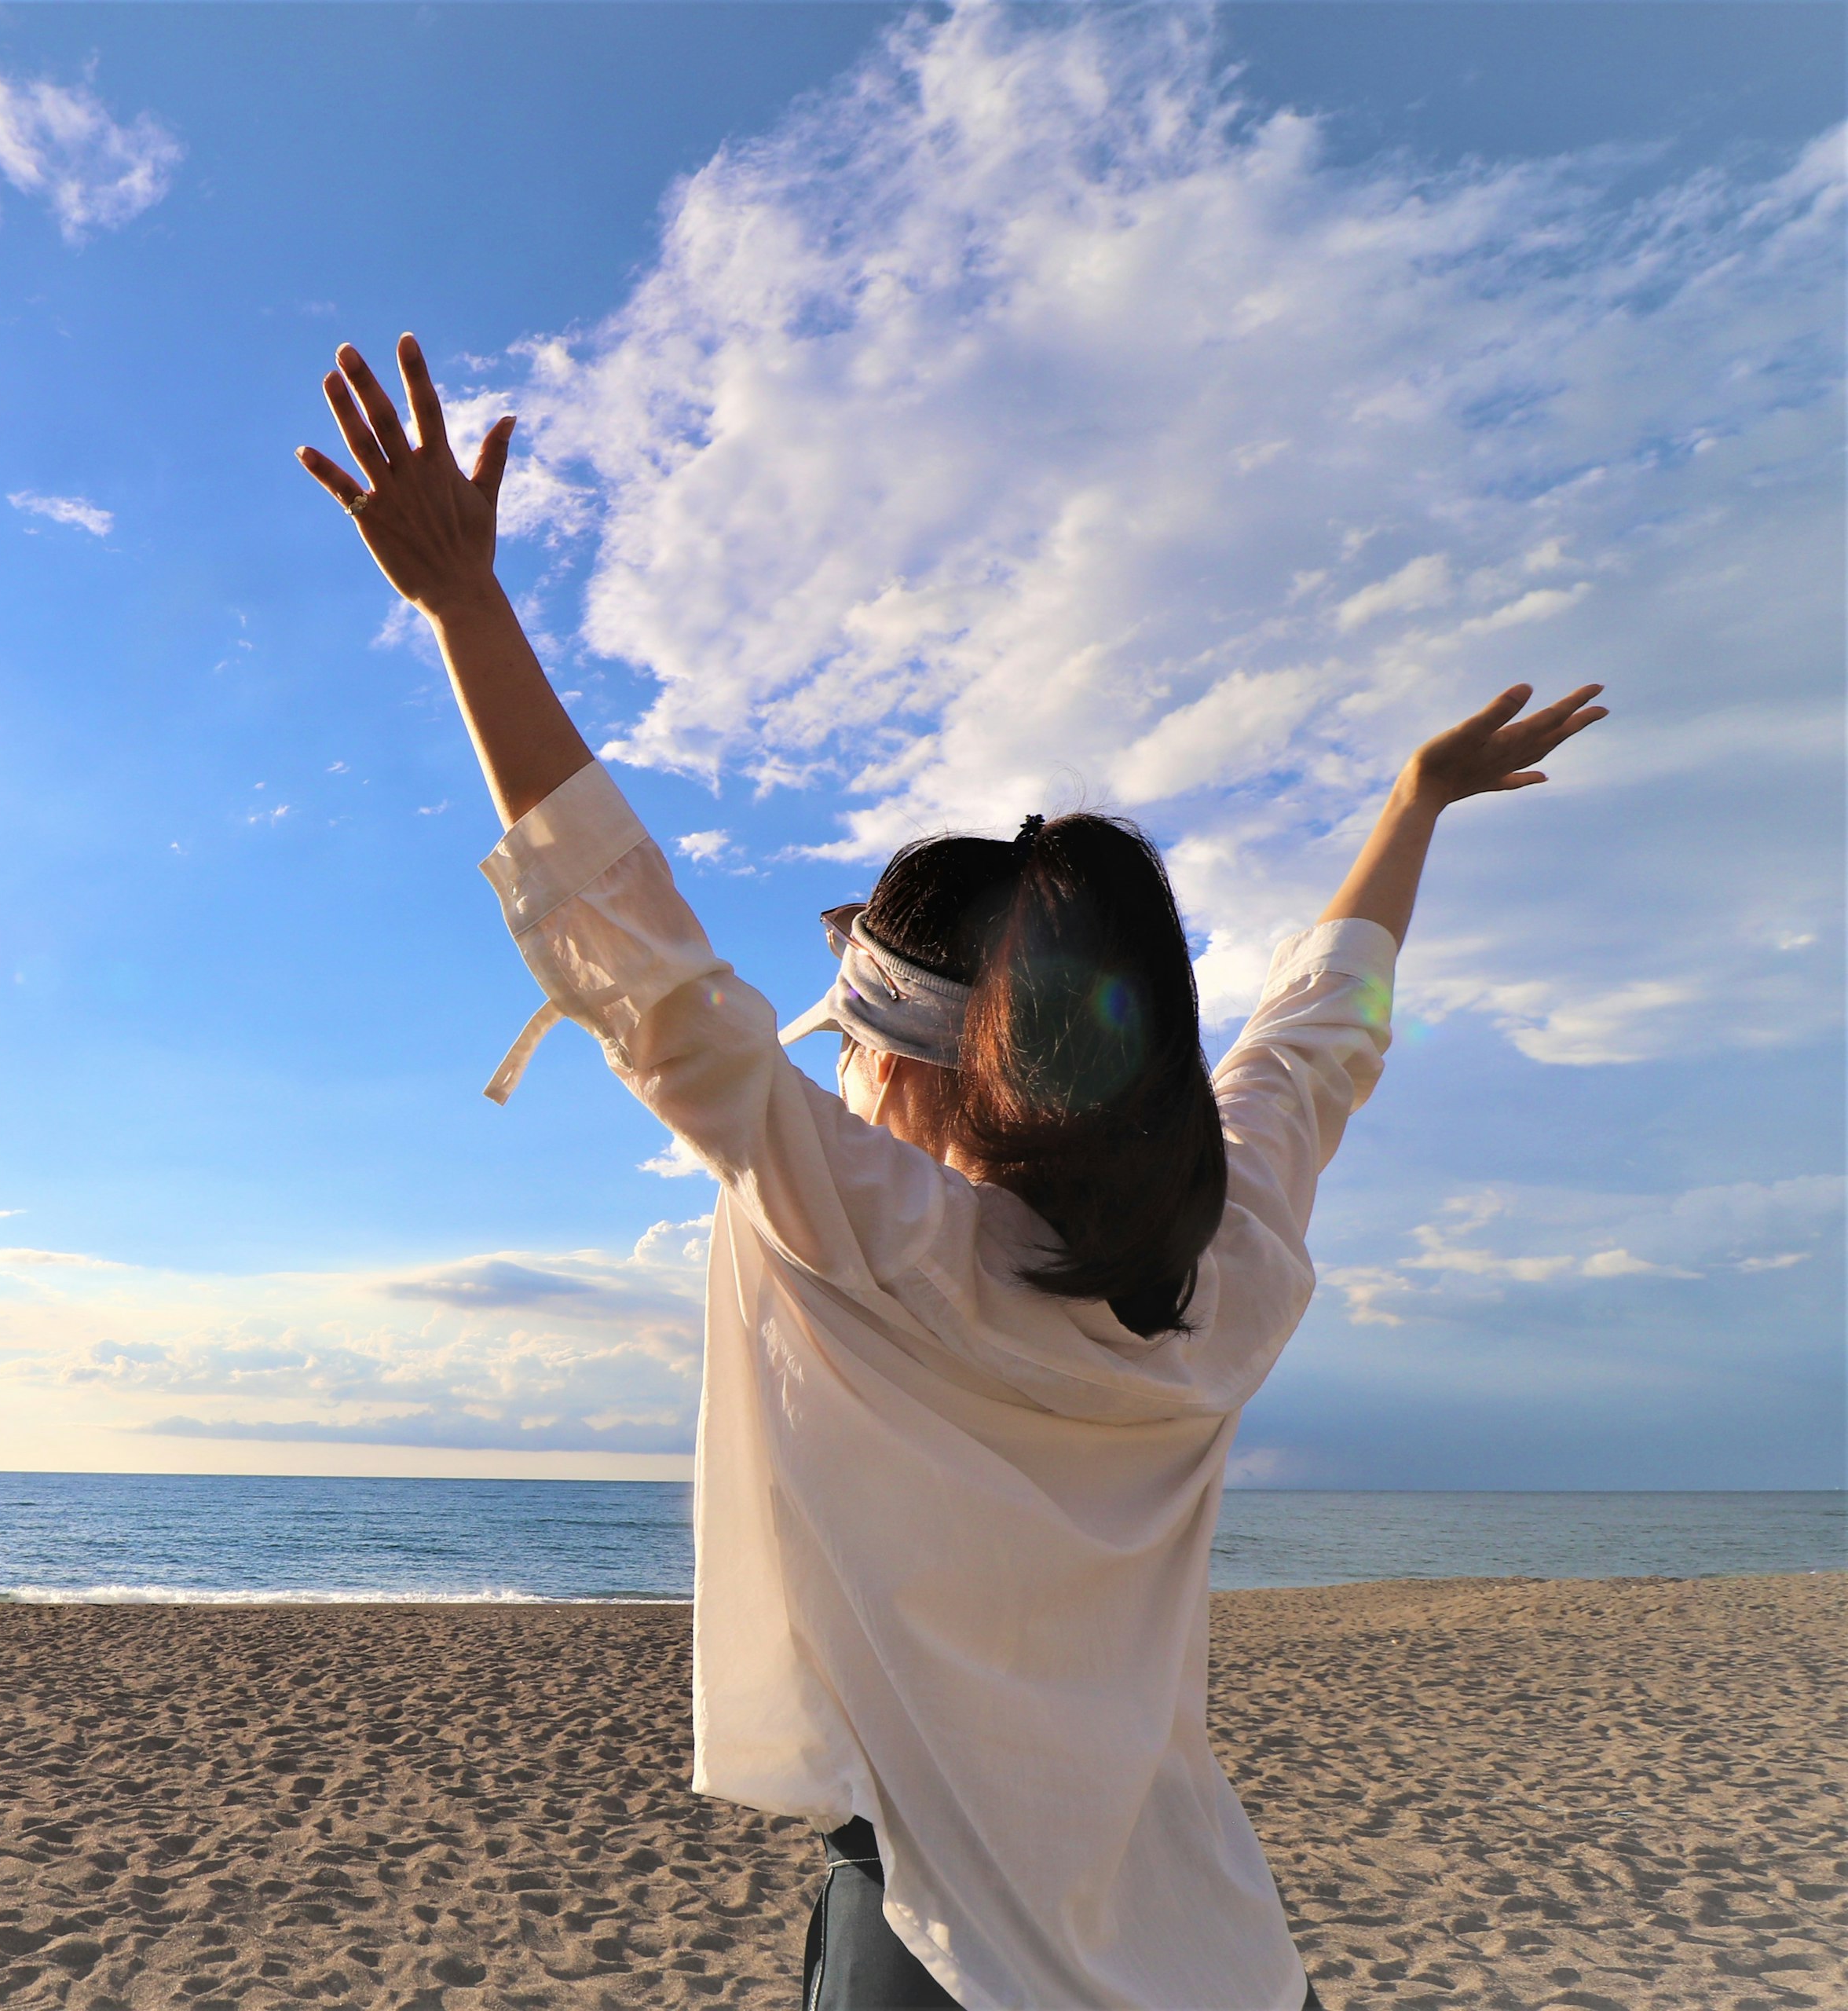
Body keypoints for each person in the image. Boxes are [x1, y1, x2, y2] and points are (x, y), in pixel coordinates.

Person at [297, 335, 1606, 2011]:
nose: (831, 1079)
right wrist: (1416, 802)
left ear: (910, 1060)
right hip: (1206, 1945)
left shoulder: (890, 1244)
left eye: (846, 1042)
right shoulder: (1224, 1255)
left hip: (943, 1954)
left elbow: (653, 984)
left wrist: (467, 607)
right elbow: (1318, 1034)